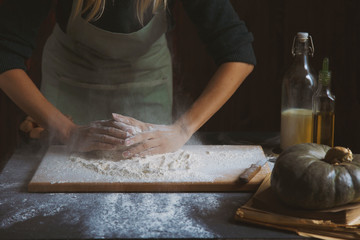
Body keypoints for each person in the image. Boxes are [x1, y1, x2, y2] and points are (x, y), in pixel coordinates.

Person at [0, 0, 256, 158]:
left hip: (148, 85)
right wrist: (67, 130)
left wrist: (182, 130)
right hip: (69, 86)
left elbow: (238, 53)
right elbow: (4, 54)